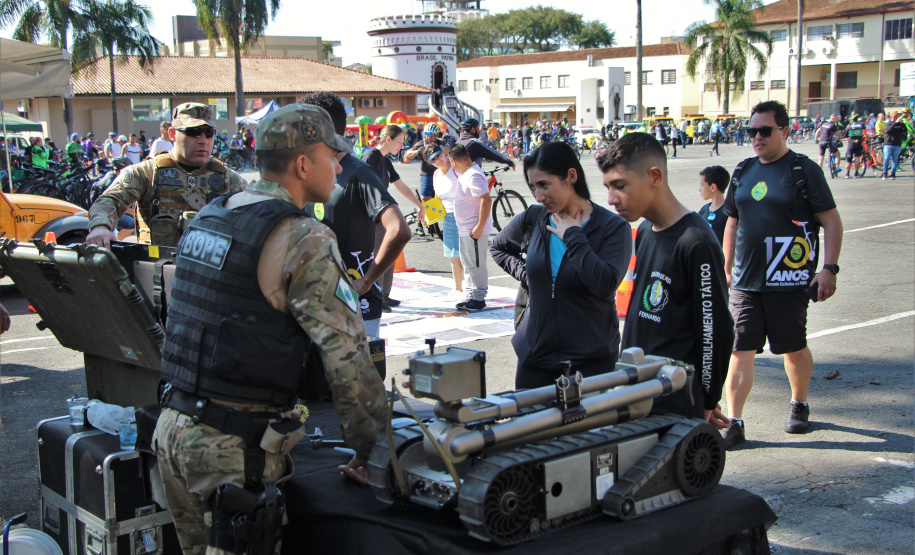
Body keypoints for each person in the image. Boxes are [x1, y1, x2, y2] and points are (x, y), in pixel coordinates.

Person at [153, 103, 387, 555]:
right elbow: (347, 356)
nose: (340, 167)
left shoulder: (213, 213)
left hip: (173, 429)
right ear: (302, 165)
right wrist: (373, 450)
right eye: (332, 156)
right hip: (230, 451)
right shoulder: (305, 237)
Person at [721, 100, 843, 448]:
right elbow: (732, 221)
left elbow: (831, 221)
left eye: (764, 130)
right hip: (746, 282)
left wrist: (829, 269)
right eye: (751, 131)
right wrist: (727, 267)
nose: (756, 137)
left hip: (788, 279)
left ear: (785, 131)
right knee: (740, 348)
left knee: (792, 347)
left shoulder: (803, 170)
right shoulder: (743, 171)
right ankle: (735, 421)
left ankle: (799, 403)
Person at [598, 133, 734, 427]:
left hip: (673, 401)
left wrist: (705, 399)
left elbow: (715, 331)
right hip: (638, 392)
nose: (611, 199)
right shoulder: (646, 231)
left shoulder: (696, 241)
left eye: (620, 186)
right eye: (608, 188)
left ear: (655, 177)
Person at [491, 142, 631, 389]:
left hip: (591, 362)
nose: (538, 196)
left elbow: (604, 285)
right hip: (535, 357)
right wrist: (529, 276)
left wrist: (574, 236)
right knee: (528, 416)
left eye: (544, 185)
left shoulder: (612, 227)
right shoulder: (534, 218)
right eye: (533, 187)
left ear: (571, 176)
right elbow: (498, 248)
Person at [301, 92, 411, 336]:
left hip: (357, 305)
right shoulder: (306, 171)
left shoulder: (358, 172)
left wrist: (367, 281)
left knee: (360, 362)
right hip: (316, 299)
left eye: (304, 126)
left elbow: (399, 229)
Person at [86, 103, 248, 248]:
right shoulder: (148, 172)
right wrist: (101, 227)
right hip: (158, 266)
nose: (203, 140)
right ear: (172, 134)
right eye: (193, 132)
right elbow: (110, 200)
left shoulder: (226, 177)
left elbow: (256, 209)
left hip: (208, 269)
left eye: (209, 133)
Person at [361, 124, 426, 308]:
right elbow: (362, 185)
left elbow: (401, 185)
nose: (401, 146)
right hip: (371, 215)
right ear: (388, 139)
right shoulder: (370, 156)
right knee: (377, 256)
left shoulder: (385, 160)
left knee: (389, 253)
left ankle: (384, 295)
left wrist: (420, 205)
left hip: (383, 214)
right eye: (399, 141)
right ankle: (375, 296)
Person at [448, 144, 492, 312]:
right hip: (466, 228)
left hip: (474, 229)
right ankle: (471, 294)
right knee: (468, 263)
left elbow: (486, 200)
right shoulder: (467, 173)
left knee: (476, 264)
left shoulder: (473, 174)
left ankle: (478, 298)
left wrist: (480, 225)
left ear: (453, 161)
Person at [426, 144, 464, 300]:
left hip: (463, 215)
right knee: (454, 255)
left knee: (465, 255)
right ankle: (458, 288)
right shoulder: (436, 174)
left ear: (444, 153)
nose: (437, 160)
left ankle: (470, 289)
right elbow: (438, 199)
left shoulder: (456, 170)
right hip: (448, 217)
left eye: (438, 155)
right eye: (433, 159)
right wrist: (428, 217)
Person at [90, 157, 138, 241]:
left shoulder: (111, 175)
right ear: (121, 170)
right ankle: (119, 242)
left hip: (104, 212)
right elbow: (111, 204)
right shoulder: (111, 182)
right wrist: (132, 212)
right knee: (131, 223)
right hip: (104, 214)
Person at [403, 122, 443, 201]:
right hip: (427, 173)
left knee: (441, 197)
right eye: (426, 134)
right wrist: (418, 151)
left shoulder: (441, 143)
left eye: (431, 134)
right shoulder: (422, 143)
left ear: (436, 134)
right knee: (425, 198)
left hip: (441, 174)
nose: (428, 137)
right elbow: (407, 154)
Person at [697, 165, 730, 246]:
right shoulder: (704, 209)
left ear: (713, 187)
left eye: (702, 185)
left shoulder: (729, 213)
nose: (699, 189)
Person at [881, 113, 907, 180]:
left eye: (896, 117)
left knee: (895, 160)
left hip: (897, 144)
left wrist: (902, 124)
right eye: (893, 117)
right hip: (888, 144)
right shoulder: (889, 123)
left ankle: (893, 173)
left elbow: (905, 130)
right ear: (891, 117)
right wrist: (895, 123)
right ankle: (885, 173)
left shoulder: (900, 124)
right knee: (886, 158)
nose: (895, 118)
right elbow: (888, 130)